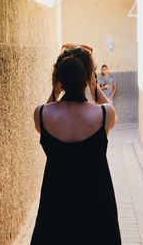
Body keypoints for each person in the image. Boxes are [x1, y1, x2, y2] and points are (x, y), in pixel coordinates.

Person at [31, 44, 121, 245]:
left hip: (56, 204)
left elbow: (42, 121)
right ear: (88, 78)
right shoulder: (105, 114)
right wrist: (93, 84)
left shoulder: (41, 114)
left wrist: (55, 89)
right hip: (97, 204)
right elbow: (105, 104)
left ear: (59, 79)